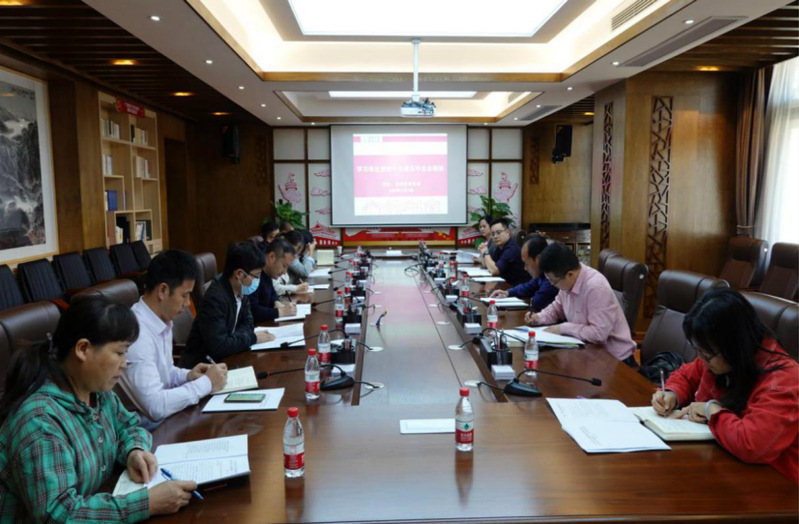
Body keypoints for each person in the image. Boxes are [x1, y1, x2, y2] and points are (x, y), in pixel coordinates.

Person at [0, 295, 197, 522]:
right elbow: (58, 514)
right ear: (83, 349)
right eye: (120, 352)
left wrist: (133, 451)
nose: (125, 363)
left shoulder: (96, 391)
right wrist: (147, 504)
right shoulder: (39, 420)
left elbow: (128, 425)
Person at [652, 289, 798, 483]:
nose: (702, 359)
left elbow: (751, 445)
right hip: (724, 463)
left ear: (734, 344)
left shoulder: (782, 382)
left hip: (774, 484)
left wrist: (712, 410)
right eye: (698, 350)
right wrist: (672, 393)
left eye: (707, 354)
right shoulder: (721, 356)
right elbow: (687, 375)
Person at [120, 250, 229, 427]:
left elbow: (164, 373)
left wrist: (188, 376)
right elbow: (155, 406)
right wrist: (207, 383)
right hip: (145, 432)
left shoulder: (162, 320)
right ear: (163, 290)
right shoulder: (136, 333)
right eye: (184, 295)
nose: (187, 303)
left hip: (168, 419)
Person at [526, 242, 636, 365]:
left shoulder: (595, 287)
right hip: (588, 352)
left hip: (615, 361)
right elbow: (557, 308)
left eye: (553, 281)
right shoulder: (567, 282)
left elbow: (599, 334)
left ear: (570, 274)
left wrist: (563, 328)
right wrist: (539, 318)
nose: (552, 284)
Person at [181, 242, 274, 368]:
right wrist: (252, 338)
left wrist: (234, 339)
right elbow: (219, 346)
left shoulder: (241, 290)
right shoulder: (215, 298)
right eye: (256, 275)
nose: (258, 280)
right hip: (203, 367)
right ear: (239, 274)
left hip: (227, 359)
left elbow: (248, 324)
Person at [490, 234, 558, 312]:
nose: (525, 268)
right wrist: (507, 293)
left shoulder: (552, 275)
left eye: (526, 263)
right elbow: (528, 287)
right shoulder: (542, 273)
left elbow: (538, 302)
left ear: (538, 259)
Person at [250, 237, 297, 322]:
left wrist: (276, 302)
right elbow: (252, 310)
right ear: (272, 257)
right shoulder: (254, 272)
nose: (284, 272)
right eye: (284, 266)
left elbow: (272, 293)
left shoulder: (268, 272)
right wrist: (280, 312)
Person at [482, 218, 530, 286]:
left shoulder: (511, 249)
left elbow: (495, 270)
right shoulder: (500, 247)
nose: (495, 236)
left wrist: (486, 252)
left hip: (516, 287)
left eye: (498, 233)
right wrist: (483, 251)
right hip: (505, 284)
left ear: (507, 232)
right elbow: (488, 266)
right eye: (493, 234)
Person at [273, 231, 311, 297]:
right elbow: (275, 289)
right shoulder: (279, 258)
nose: (296, 255)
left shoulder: (289, 258)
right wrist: (296, 288)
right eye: (296, 250)